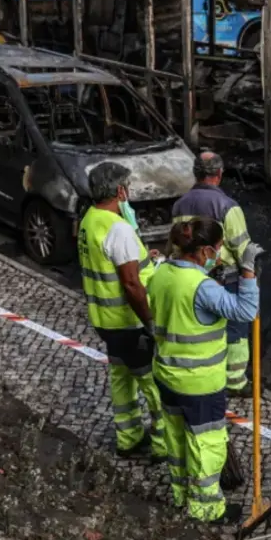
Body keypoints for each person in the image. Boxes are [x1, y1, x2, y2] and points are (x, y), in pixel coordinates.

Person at [148, 217, 262, 523]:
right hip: (199, 383)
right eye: (218, 249)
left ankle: (180, 494)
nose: (220, 254)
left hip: (166, 375)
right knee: (206, 444)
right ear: (205, 251)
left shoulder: (161, 273)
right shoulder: (203, 288)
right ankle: (206, 508)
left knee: (176, 438)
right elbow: (246, 311)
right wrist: (248, 272)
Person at [77, 162, 167, 462]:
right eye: (127, 186)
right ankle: (163, 445)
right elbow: (131, 284)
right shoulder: (118, 229)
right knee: (153, 384)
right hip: (128, 324)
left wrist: (145, 257)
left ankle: (128, 437)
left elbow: (113, 265)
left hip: (104, 321)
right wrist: (150, 323)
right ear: (119, 190)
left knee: (121, 378)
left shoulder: (90, 220)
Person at [171, 151, 254, 394]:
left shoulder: (179, 205)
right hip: (224, 278)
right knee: (236, 331)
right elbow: (243, 249)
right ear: (219, 174)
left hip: (191, 275)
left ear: (196, 173)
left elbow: (176, 243)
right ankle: (236, 381)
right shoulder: (228, 207)